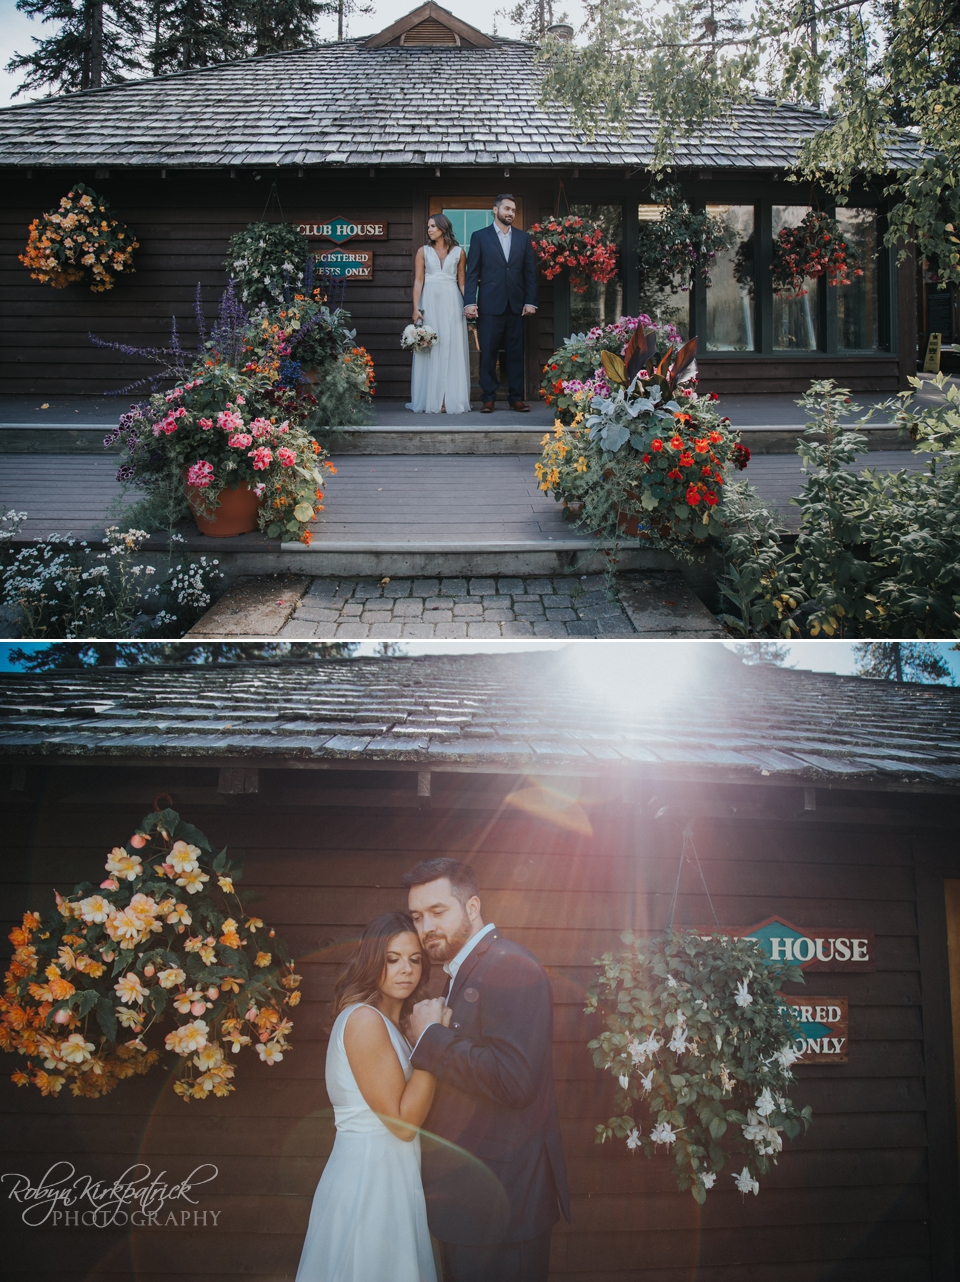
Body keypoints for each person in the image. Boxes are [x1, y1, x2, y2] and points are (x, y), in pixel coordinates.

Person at [403, 857, 570, 1282]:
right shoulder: (465, 970)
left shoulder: (508, 966)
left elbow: (514, 1081)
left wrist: (430, 1038)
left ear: (472, 906)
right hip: (472, 1205)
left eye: (438, 912)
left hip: (502, 1208)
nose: (426, 928)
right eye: (418, 917)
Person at [295, 911, 449, 1282]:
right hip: (369, 1181)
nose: (406, 970)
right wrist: (431, 1042)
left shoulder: (392, 1025)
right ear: (372, 961)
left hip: (394, 1176)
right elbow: (403, 1125)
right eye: (392, 959)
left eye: (415, 960)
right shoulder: (364, 1020)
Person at [462, 195, 537, 414]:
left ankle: (516, 398)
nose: (510, 213)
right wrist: (469, 302)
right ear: (495, 210)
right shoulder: (480, 237)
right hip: (489, 305)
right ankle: (488, 398)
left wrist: (530, 301)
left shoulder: (523, 239)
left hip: (516, 306)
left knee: (515, 353)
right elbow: (472, 272)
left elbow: (529, 274)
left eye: (513, 210)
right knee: (488, 353)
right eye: (506, 209)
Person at [407, 213, 472, 414]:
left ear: (443, 228)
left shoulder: (459, 252)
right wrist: (415, 308)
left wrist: (469, 305)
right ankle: (432, 398)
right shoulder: (423, 252)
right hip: (430, 300)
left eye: (433, 226)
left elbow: (462, 282)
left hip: (453, 301)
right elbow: (418, 281)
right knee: (432, 346)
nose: (429, 230)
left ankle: (449, 398)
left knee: (451, 347)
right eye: (428, 227)